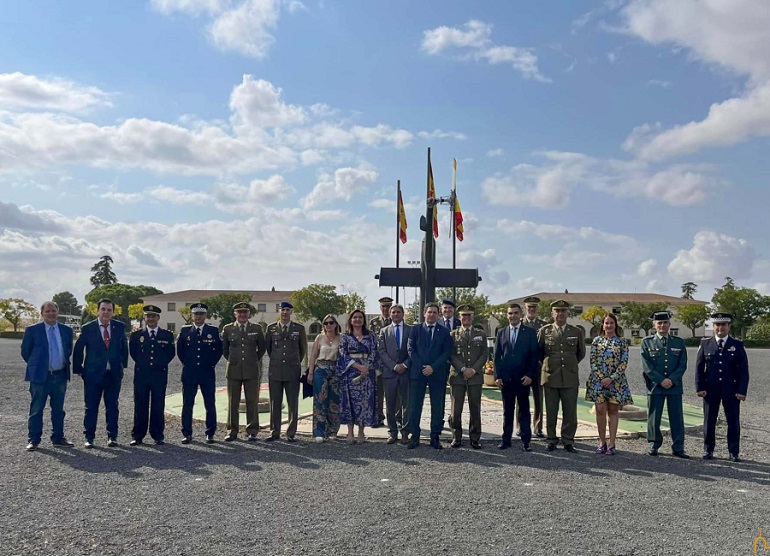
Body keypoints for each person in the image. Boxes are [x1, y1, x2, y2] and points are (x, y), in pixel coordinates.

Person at [73, 298, 129, 448]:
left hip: (113, 375)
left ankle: (112, 436)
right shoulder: (88, 328)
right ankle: (89, 437)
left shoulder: (119, 327)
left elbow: (124, 347)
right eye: (103, 309)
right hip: (92, 375)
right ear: (97, 311)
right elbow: (78, 349)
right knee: (91, 406)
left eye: (109, 310)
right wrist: (79, 369)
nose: (106, 312)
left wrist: (122, 365)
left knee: (112, 406)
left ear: (113, 312)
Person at [21, 301, 75, 451]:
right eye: (48, 311)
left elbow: (68, 350)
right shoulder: (32, 330)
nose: (51, 313)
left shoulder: (66, 330)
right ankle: (34, 439)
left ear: (57, 312)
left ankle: (58, 438)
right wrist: (39, 366)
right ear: (42, 313)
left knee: (58, 409)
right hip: (39, 377)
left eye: (53, 311)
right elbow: (26, 352)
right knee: (36, 409)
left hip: (59, 376)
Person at [695, 312, 749, 462]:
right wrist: (699, 387)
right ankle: (708, 450)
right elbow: (699, 368)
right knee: (709, 421)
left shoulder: (737, 345)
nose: (720, 328)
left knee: (733, 421)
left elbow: (743, 370)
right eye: (717, 325)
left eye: (723, 325)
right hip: (710, 390)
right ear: (713, 327)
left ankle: (733, 452)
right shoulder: (705, 344)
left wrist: (741, 390)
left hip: (731, 390)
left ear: (729, 327)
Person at [537, 300, 586, 453]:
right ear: (552, 313)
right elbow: (539, 352)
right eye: (557, 311)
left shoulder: (576, 331)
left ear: (567, 313)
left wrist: (570, 364)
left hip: (569, 377)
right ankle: (551, 439)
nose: (560, 314)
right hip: (550, 376)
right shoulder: (545, 331)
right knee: (551, 410)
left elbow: (581, 352)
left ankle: (568, 440)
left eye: (563, 311)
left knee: (570, 411)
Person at [641, 311, 688, 458]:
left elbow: (682, 364)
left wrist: (671, 380)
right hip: (655, 385)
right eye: (659, 323)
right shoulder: (647, 342)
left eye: (665, 322)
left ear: (669, 324)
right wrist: (661, 380)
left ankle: (678, 447)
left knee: (677, 417)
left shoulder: (678, 342)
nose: (662, 325)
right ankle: (654, 444)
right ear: (654, 325)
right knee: (654, 417)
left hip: (674, 385)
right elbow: (647, 366)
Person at [406, 302, 452, 449]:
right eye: (429, 312)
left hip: (436, 373)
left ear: (438, 315)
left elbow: (446, 352)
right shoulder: (415, 329)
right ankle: (415, 436)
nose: (431, 314)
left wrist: (433, 367)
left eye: (434, 312)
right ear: (424, 313)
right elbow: (411, 349)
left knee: (437, 406)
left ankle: (435, 436)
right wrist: (421, 366)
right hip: (418, 373)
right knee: (415, 406)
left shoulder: (444, 332)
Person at [128, 304, 176, 446]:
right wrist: (144, 364)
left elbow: (170, 354)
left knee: (158, 405)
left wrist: (158, 364)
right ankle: (138, 435)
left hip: (159, 375)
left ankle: (158, 434)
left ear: (158, 318)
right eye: (148, 316)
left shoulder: (167, 335)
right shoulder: (137, 335)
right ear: (144, 317)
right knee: (140, 405)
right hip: (142, 375)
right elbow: (134, 353)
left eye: (153, 316)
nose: (151, 319)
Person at [494, 303, 539, 451]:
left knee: (524, 410)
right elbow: (497, 356)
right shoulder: (501, 332)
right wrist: (497, 376)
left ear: (520, 315)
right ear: (507, 316)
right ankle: (506, 440)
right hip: (506, 379)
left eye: (515, 313)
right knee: (508, 410)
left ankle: (526, 441)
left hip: (523, 379)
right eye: (510, 313)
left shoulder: (530, 332)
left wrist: (530, 375)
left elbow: (534, 356)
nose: (512, 316)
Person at [586, 313, 632, 455]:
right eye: (606, 323)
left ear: (615, 325)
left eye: (612, 323)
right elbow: (593, 362)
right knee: (600, 410)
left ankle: (612, 443)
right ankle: (602, 442)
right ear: (602, 325)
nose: (609, 325)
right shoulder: (596, 341)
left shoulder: (622, 342)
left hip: (616, 382)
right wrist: (601, 378)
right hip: (598, 382)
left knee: (613, 411)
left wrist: (611, 378)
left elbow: (623, 363)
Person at [177, 302, 223, 444]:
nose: (198, 317)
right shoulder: (185, 331)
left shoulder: (213, 331)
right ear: (192, 316)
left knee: (209, 404)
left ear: (205, 315)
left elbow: (219, 351)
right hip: (190, 373)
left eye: (201, 314)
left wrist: (210, 364)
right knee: (187, 404)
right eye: (196, 314)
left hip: (207, 373)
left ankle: (210, 433)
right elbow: (180, 352)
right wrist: (188, 363)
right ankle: (187, 433)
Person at [221, 302, 266, 442]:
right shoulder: (228, 329)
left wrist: (252, 360)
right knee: (233, 401)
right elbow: (225, 350)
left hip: (251, 369)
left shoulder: (257, 328)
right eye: (239, 312)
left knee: (252, 401)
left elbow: (262, 348)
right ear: (235, 314)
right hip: (234, 369)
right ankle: (232, 430)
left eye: (245, 312)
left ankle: (252, 430)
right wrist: (234, 360)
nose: (242, 315)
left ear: (249, 314)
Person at [265, 301, 307, 442]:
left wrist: (293, 362)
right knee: (275, 402)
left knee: (292, 403)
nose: (285, 312)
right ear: (279, 311)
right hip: (276, 370)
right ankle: (274, 432)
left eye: (287, 310)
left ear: (291, 312)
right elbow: (269, 349)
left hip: (292, 370)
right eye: (282, 310)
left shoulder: (299, 329)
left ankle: (290, 433)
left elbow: (302, 350)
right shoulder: (271, 329)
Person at [449, 305, 488, 449]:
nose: (466, 318)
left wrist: (473, 370)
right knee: (456, 409)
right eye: (463, 315)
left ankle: (475, 437)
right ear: (459, 317)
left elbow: (484, 354)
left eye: (469, 315)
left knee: (475, 408)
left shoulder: (481, 334)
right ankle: (456, 436)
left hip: (475, 377)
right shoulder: (453, 334)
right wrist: (463, 369)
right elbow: (451, 355)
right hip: (458, 376)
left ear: (473, 317)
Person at [338, 309, 380, 444]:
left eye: (360, 317)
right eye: (355, 317)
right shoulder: (345, 336)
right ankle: (350, 433)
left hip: (367, 373)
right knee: (350, 402)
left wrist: (366, 367)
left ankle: (361, 432)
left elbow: (374, 352)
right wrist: (357, 366)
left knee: (364, 402)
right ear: (350, 320)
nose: (357, 320)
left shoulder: (370, 336)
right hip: (350, 372)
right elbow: (343, 354)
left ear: (364, 320)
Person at [377, 304, 412, 444]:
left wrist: (404, 365)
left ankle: (405, 432)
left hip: (406, 372)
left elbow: (414, 350)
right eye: (393, 312)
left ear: (403, 314)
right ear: (390, 315)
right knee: (390, 404)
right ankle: (392, 432)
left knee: (406, 404)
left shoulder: (411, 330)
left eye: (398, 312)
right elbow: (381, 351)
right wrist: (393, 366)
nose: (396, 314)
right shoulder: (384, 331)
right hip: (390, 373)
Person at [307, 314, 342, 442]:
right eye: (326, 323)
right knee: (320, 401)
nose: (328, 325)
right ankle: (319, 432)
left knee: (334, 401)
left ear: (336, 324)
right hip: (320, 369)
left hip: (335, 370)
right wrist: (310, 373)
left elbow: (343, 357)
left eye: (331, 323)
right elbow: (313, 356)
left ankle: (332, 431)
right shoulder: (319, 338)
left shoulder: (341, 338)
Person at [517, 296, 547, 438]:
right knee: (521, 398)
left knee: (538, 398)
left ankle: (538, 427)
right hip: (522, 367)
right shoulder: (519, 323)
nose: (532, 309)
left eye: (534, 307)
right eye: (529, 307)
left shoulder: (544, 325)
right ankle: (520, 425)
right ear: (525, 308)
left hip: (538, 367)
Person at [369, 296, 393, 428]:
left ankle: (395, 417)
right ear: (380, 308)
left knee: (393, 391)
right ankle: (378, 416)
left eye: (388, 306)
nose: (386, 309)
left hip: (392, 362)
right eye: (383, 306)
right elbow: (370, 342)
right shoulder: (374, 322)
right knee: (378, 392)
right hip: (378, 363)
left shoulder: (395, 320)